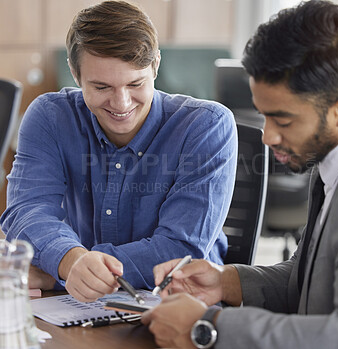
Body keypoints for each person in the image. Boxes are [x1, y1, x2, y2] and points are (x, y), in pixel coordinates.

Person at [141, 1, 338, 348]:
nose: (267, 136)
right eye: (264, 115)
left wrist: (208, 326)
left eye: (283, 120)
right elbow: (310, 277)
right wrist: (225, 282)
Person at [0, 0, 237, 303]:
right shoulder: (50, 116)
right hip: (78, 302)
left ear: (155, 66)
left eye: (135, 83)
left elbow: (179, 249)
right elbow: (26, 210)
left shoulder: (207, 125)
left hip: (175, 302)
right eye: (101, 87)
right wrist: (70, 262)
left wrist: (60, 267)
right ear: (75, 73)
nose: (122, 104)